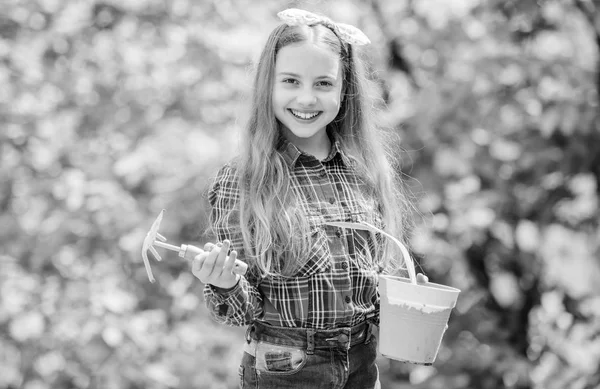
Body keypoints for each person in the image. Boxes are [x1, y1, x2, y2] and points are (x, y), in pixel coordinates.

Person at [191, 8, 427, 389]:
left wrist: (407, 302)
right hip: (287, 369)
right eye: (290, 81)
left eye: (323, 84)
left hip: (362, 364)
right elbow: (244, 310)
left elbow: (370, 282)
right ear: (268, 84)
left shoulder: (362, 172)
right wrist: (224, 284)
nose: (306, 97)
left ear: (343, 89)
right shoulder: (246, 180)